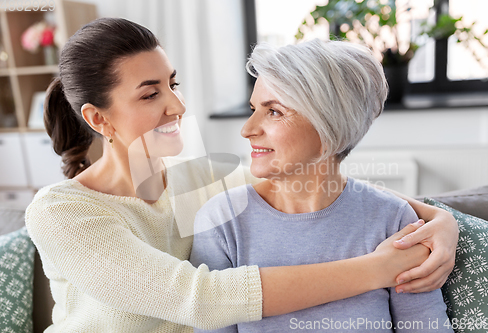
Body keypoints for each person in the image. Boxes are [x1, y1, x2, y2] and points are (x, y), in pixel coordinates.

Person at [25, 18, 457, 332]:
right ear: (98, 118)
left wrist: (440, 220)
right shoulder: (61, 212)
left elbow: (317, 183)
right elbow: (201, 300)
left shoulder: (200, 180)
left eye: (173, 85)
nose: (177, 107)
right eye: (151, 93)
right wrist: (380, 269)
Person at [190, 40, 452, 332]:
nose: (247, 129)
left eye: (274, 111)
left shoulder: (394, 221)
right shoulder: (222, 222)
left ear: (329, 124)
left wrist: (445, 218)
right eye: (253, 109)